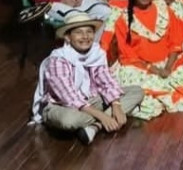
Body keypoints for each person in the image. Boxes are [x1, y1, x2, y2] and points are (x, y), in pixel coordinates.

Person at [31, 12, 143, 144]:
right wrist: (102, 116)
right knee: (69, 121)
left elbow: (105, 80)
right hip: (62, 106)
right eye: (79, 32)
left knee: (136, 91)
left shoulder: (96, 53)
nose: (85, 37)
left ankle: (94, 127)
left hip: (89, 100)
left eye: (89, 32)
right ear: (68, 37)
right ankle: (107, 118)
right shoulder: (58, 59)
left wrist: (116, 105)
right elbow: (69, 97)